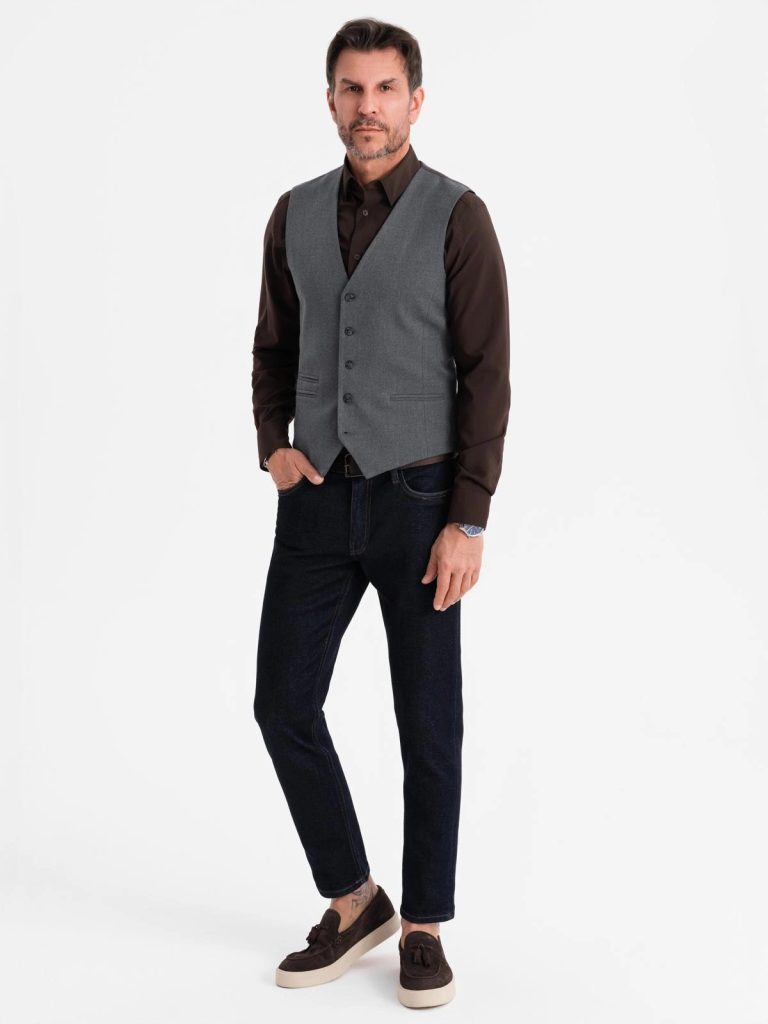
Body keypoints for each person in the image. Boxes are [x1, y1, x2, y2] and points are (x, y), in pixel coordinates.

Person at [251, 16, 510, 1008]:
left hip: (420, 500)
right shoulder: (292, 213)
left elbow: (488, 375)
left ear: (415, 99)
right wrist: (273, 443)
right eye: (352, 89)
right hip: (317, 498)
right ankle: (356, 899)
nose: (369, 107)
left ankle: (425, 924)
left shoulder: (458, 216)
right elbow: (273, 347)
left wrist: (468, 520)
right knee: (283, 703)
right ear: (331, 100)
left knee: (427, 722)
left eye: (386, 88)